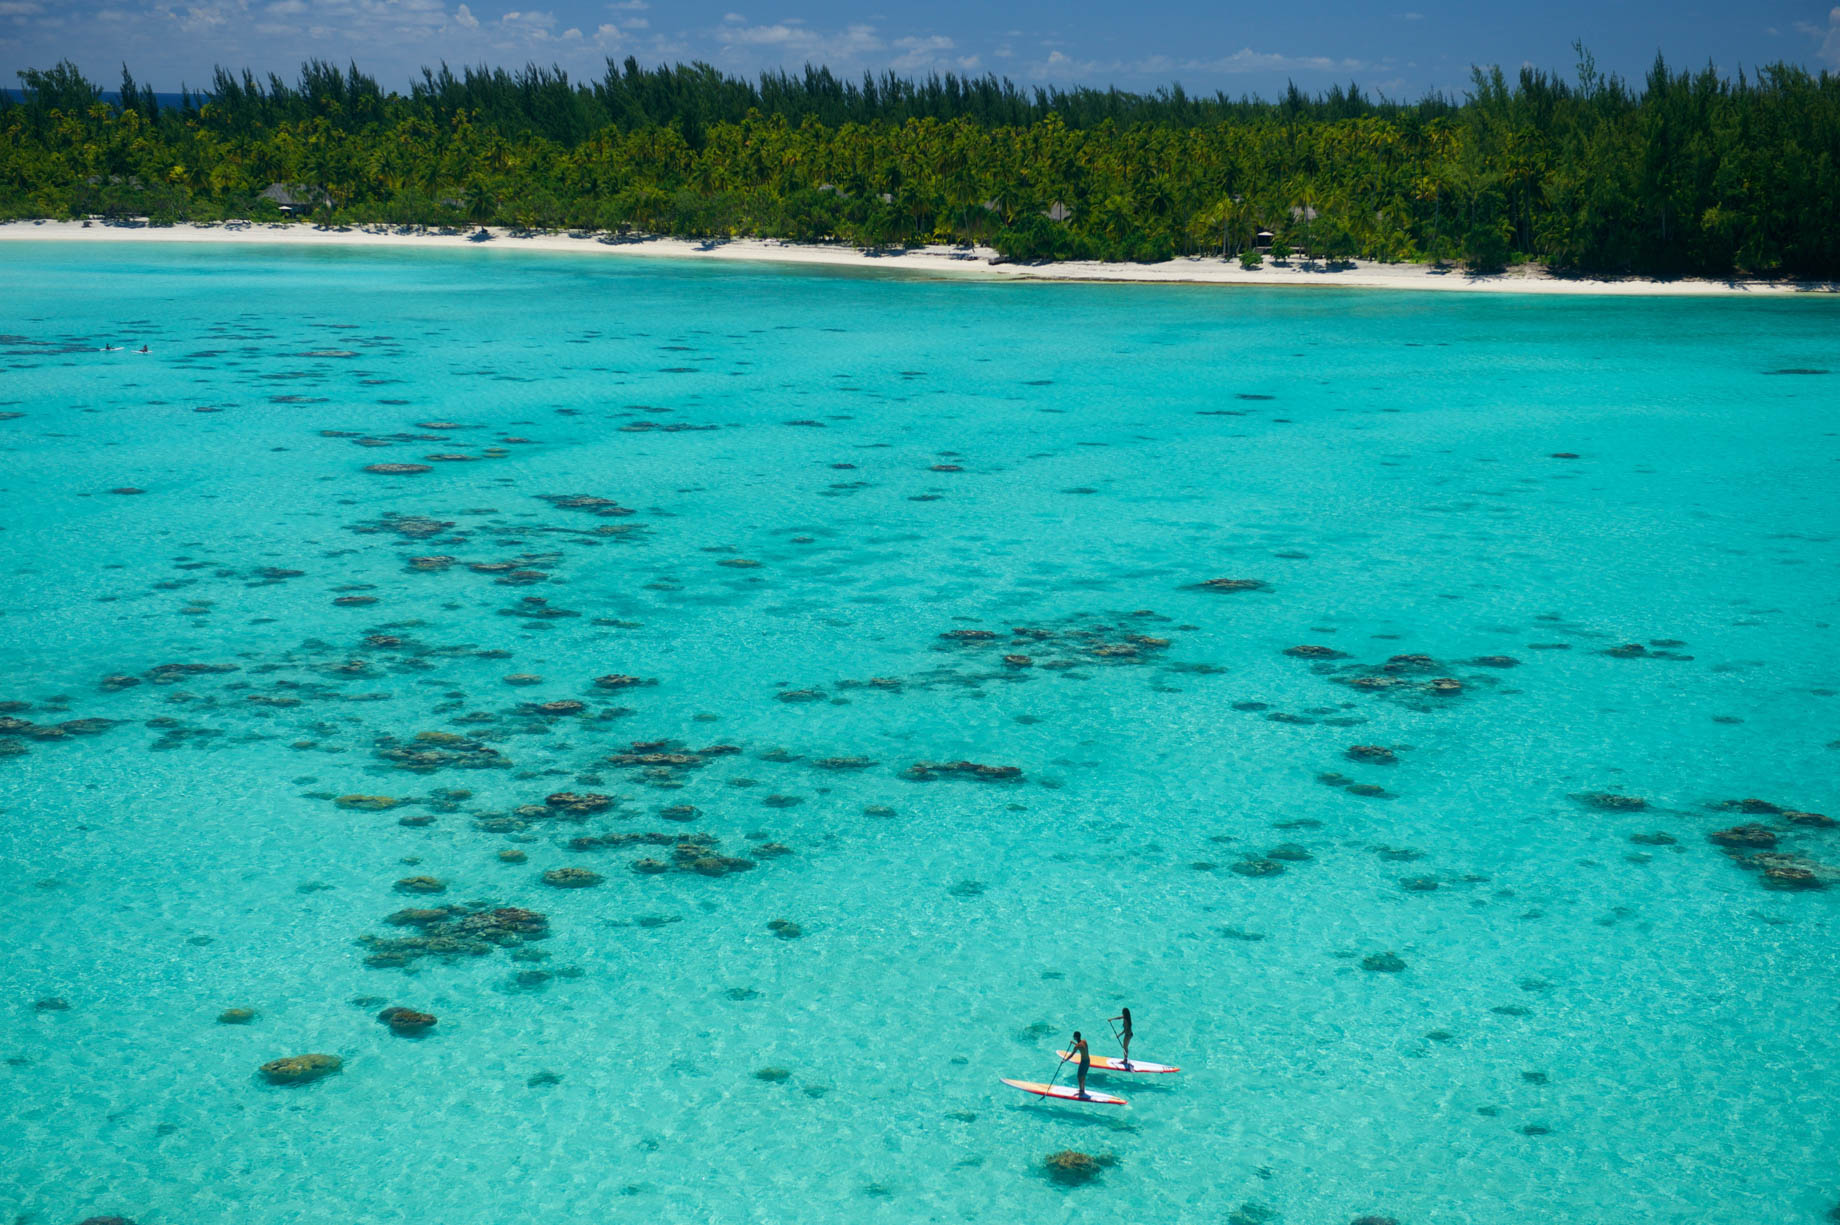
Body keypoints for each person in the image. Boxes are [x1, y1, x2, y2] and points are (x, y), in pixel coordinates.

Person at [1068, 1031, 1091, 1099]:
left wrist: (1064, 1060)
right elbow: (1082, 1047)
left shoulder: (1077, 1046)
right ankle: (1082, 1090)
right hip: (1088, 1061)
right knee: (1083, 1076)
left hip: (1083, 1062)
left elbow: (1071, 1055)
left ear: (1075, 1037)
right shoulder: (1084, 1041)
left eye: (1073, 1036)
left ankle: (1081, 1091)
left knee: (1079, 1076)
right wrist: (1074, 1044)